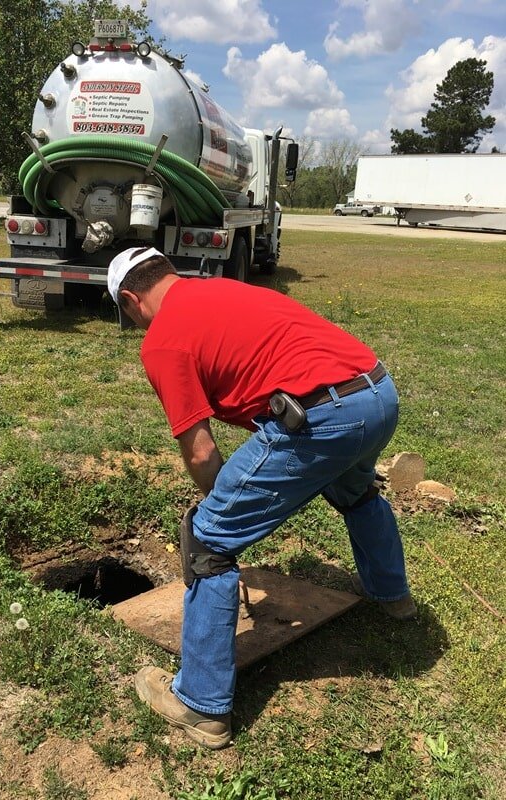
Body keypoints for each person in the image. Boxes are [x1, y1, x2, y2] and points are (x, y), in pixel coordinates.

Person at [107, 245, 415, 750]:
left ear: (130, 300)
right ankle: (393, 597)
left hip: (324, 417)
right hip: (377, 394)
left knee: (208, 541)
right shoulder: (220, 290)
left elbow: (201, 452)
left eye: (129, 316)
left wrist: (223, 516)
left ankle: (200, 705)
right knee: (355, 493)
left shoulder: (163, 340)